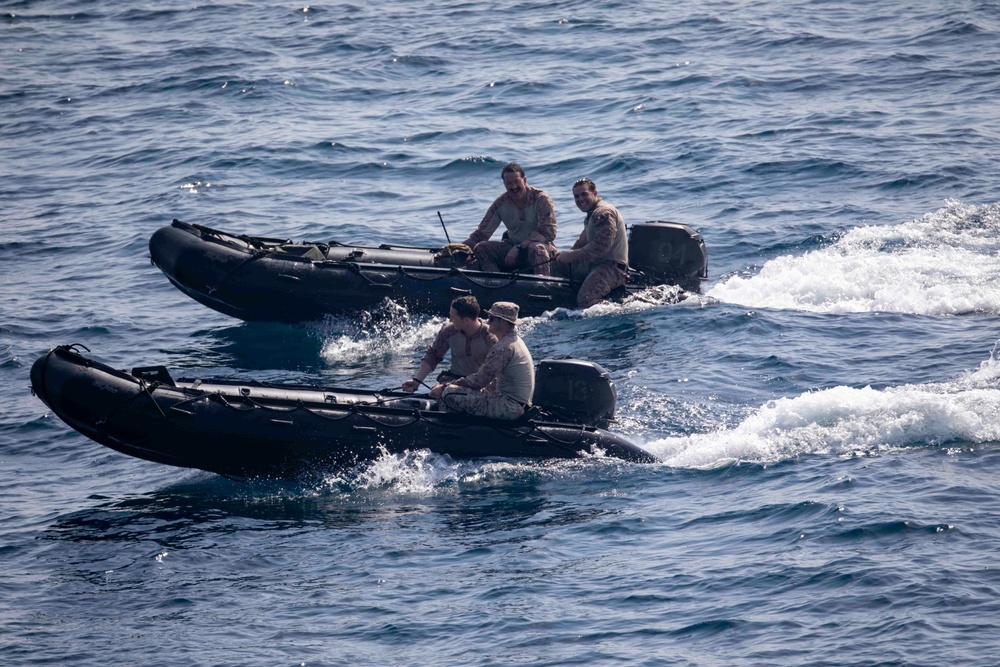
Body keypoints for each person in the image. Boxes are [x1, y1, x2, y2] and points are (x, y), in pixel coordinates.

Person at [429, 301, 534, 420]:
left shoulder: (503, 348)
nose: (488, 322)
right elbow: (493, 381)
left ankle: (448, 429)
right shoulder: (514, 341)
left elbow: (479, 380)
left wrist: (444, 387)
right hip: (515, 404)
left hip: (508, 407)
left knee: (449, 393)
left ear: (503, 322)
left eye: (492, 318)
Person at [460, 162, 557, 276]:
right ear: (504, 185)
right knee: (481, 247)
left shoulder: (541, 199)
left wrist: (520, 246)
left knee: (536, 248)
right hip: (511, 249)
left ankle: (543, 287)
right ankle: (494, 283)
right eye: (509, 183)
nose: (514, 187)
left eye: (516, 181)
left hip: (540, 249)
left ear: (524, 180)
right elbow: (481, 235)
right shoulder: (500, 203)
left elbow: (549, 233)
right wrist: (458, 248)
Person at [552, 178, 629, 308]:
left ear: (595, 193)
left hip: (612, 269)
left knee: (586, 299)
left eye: (584, 194)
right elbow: (582, 242)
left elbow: (601, 247)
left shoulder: (604, 213)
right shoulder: (592, 214)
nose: (580, 199)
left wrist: (572, 255)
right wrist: (564, 255)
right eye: (576, 196)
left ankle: (622, 308)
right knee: (558, 265)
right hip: (595, 264)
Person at [402, 296, 497, 393]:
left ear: (466, 321)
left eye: (453, 317)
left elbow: (497, 371)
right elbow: (433, 356)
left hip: (479, 383)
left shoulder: (490, 337)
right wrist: (417, 381)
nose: (450, 320)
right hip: (453, 380)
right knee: (444, 396)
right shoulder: (449, 331)